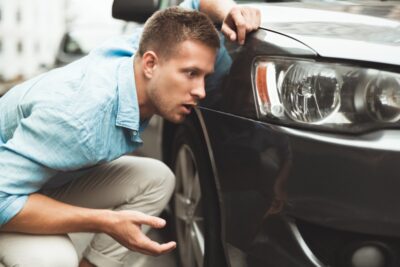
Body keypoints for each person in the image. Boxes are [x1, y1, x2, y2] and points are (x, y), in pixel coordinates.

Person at [0, 0, 260, 266]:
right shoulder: (80, 119)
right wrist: (106, 222)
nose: (201, 91)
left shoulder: (146, 49)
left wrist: (229, 9)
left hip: (32, 183)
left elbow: (195, 4)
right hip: (5, 194)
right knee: (54, 260)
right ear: (150, 64)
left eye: (204, 76)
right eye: (191, 74)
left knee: (157, 180)